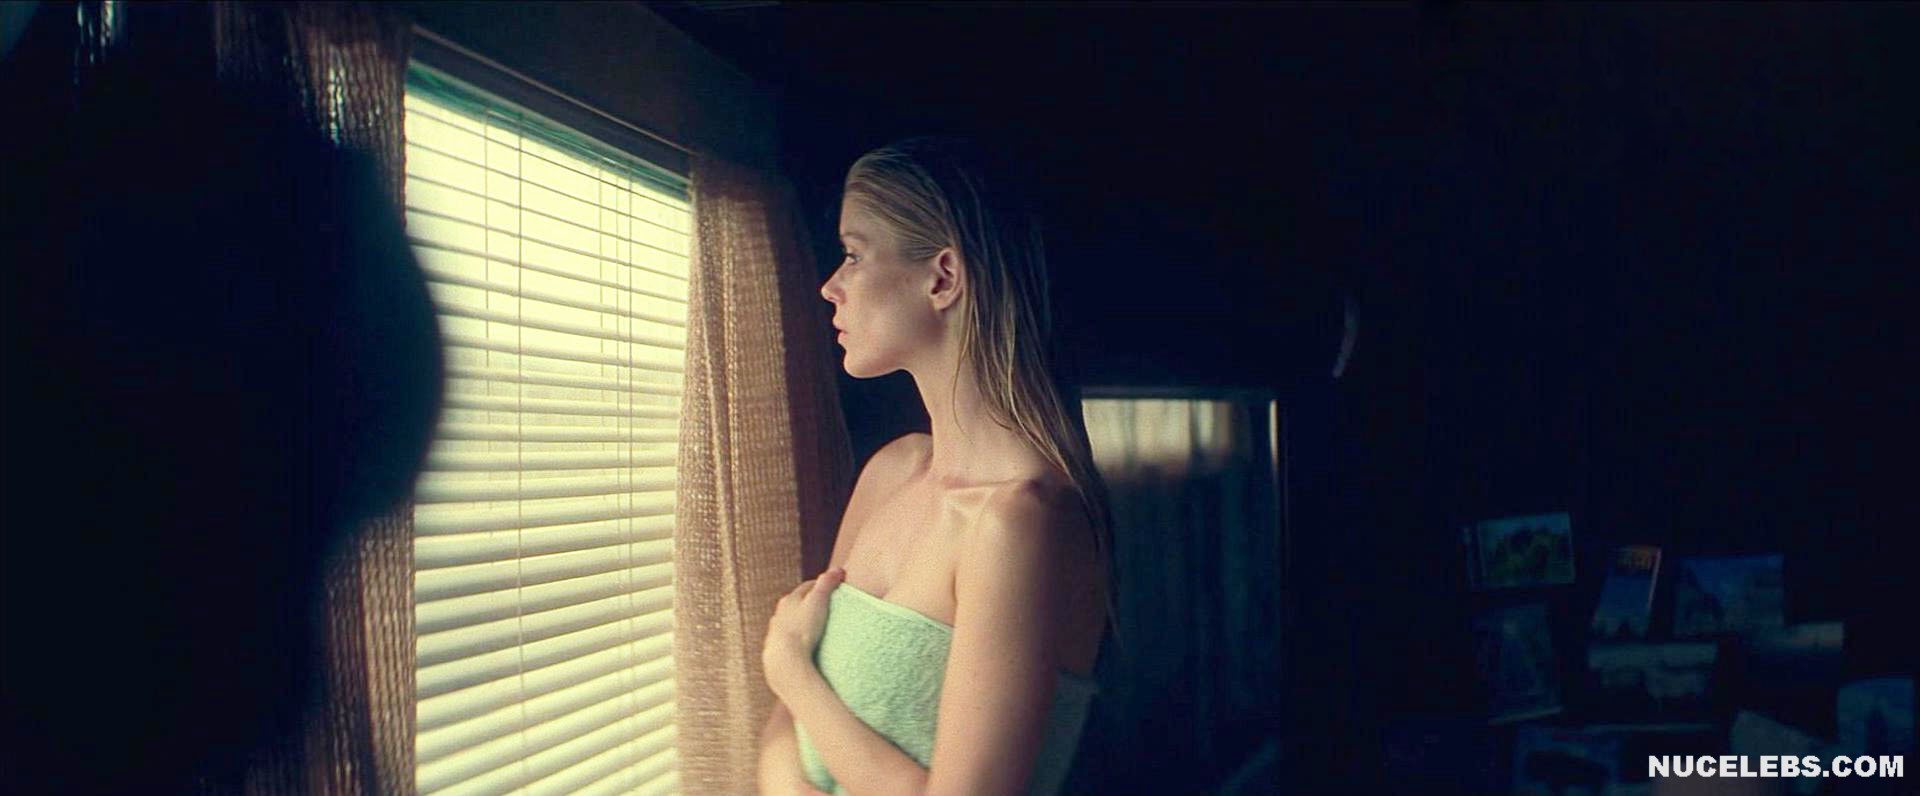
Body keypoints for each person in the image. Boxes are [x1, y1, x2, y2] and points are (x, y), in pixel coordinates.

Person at [755, 137, 1115, 796]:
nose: (830, 286)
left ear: (942, 278)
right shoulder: (890, 473)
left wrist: (792, 673)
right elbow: (782, 736)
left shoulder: (1019, 522)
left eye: (854, 254)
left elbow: (792, 685)